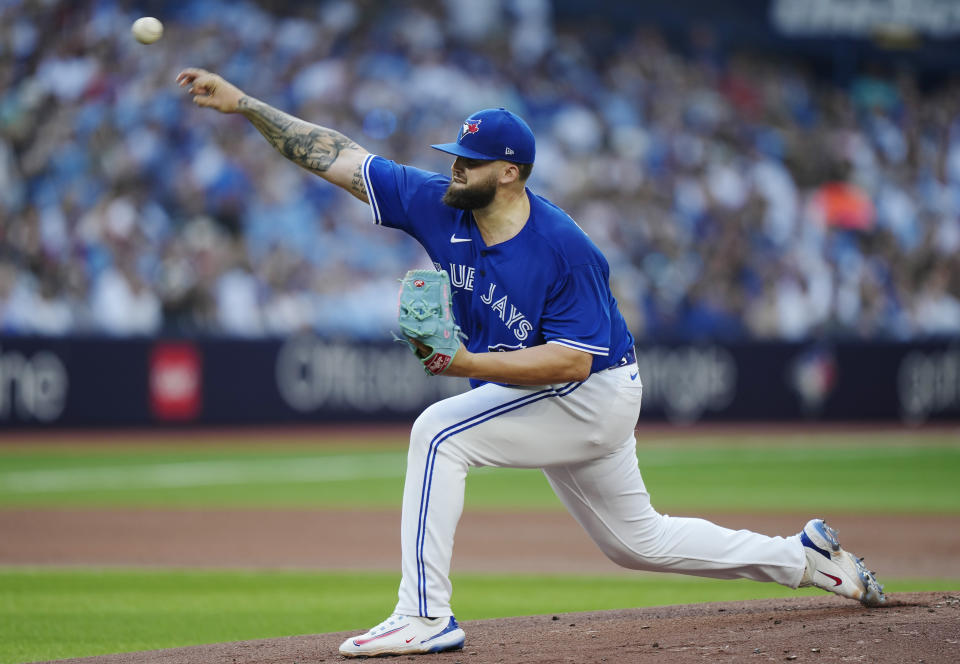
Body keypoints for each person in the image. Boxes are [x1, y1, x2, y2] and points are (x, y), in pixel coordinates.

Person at [176, 68, 885, 658]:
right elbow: (336, 154)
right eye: (453, 155)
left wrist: (463, 365)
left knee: (437, 433)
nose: (453, 166)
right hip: (564, 395)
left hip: (593, 392)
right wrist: (243, 106)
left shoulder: (563, 246)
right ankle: (806, 558)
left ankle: (424, 615)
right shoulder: (439, 205)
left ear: (509, 172)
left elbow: (573, 364)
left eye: (469, 160)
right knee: (637, 542)